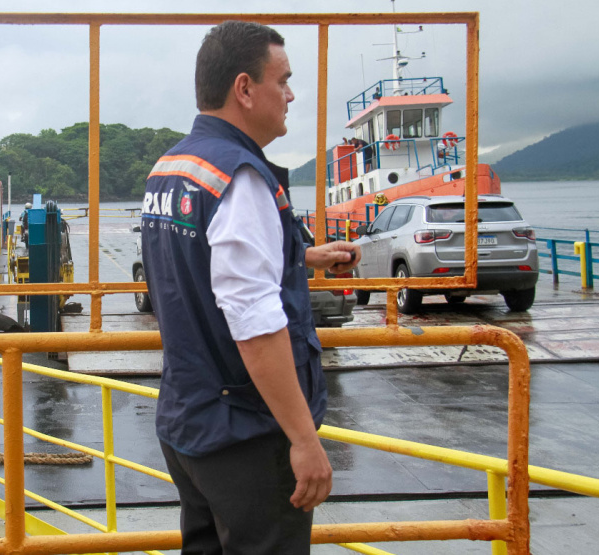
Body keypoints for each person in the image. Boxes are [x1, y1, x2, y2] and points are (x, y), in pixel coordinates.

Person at [140, 21, 361, 554]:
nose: (290, 95)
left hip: (188, 424)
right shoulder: (240, 178)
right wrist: (305, 440)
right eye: (282, 80)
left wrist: (303, 256)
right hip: (247, 436)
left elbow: (205, 263)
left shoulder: (172, 168)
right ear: (244, 88)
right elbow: (255, 324)